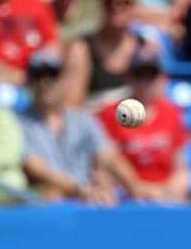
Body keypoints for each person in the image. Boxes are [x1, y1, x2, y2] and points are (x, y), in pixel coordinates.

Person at [18, 51, 154, 203]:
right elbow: (35, 168)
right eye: (39, 76)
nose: (46, 82)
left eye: (52, 75)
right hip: (47, 204)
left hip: (87, 200)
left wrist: (134, 186)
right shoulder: (19, 123)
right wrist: (79, 190)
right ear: (29, 81)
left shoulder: (83, 121)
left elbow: (109, 156)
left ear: (62, 80)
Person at [97, 47, 191, 202]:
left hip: (163, 196)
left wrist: (167, 192)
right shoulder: (110, 113)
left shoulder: (171, 113)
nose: (145, 82)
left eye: (151, 75)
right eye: (139, 74)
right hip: (124, 197)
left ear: (161, 78)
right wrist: (135, 188)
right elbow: (105, 164)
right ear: (127, 77)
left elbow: (180, 168)